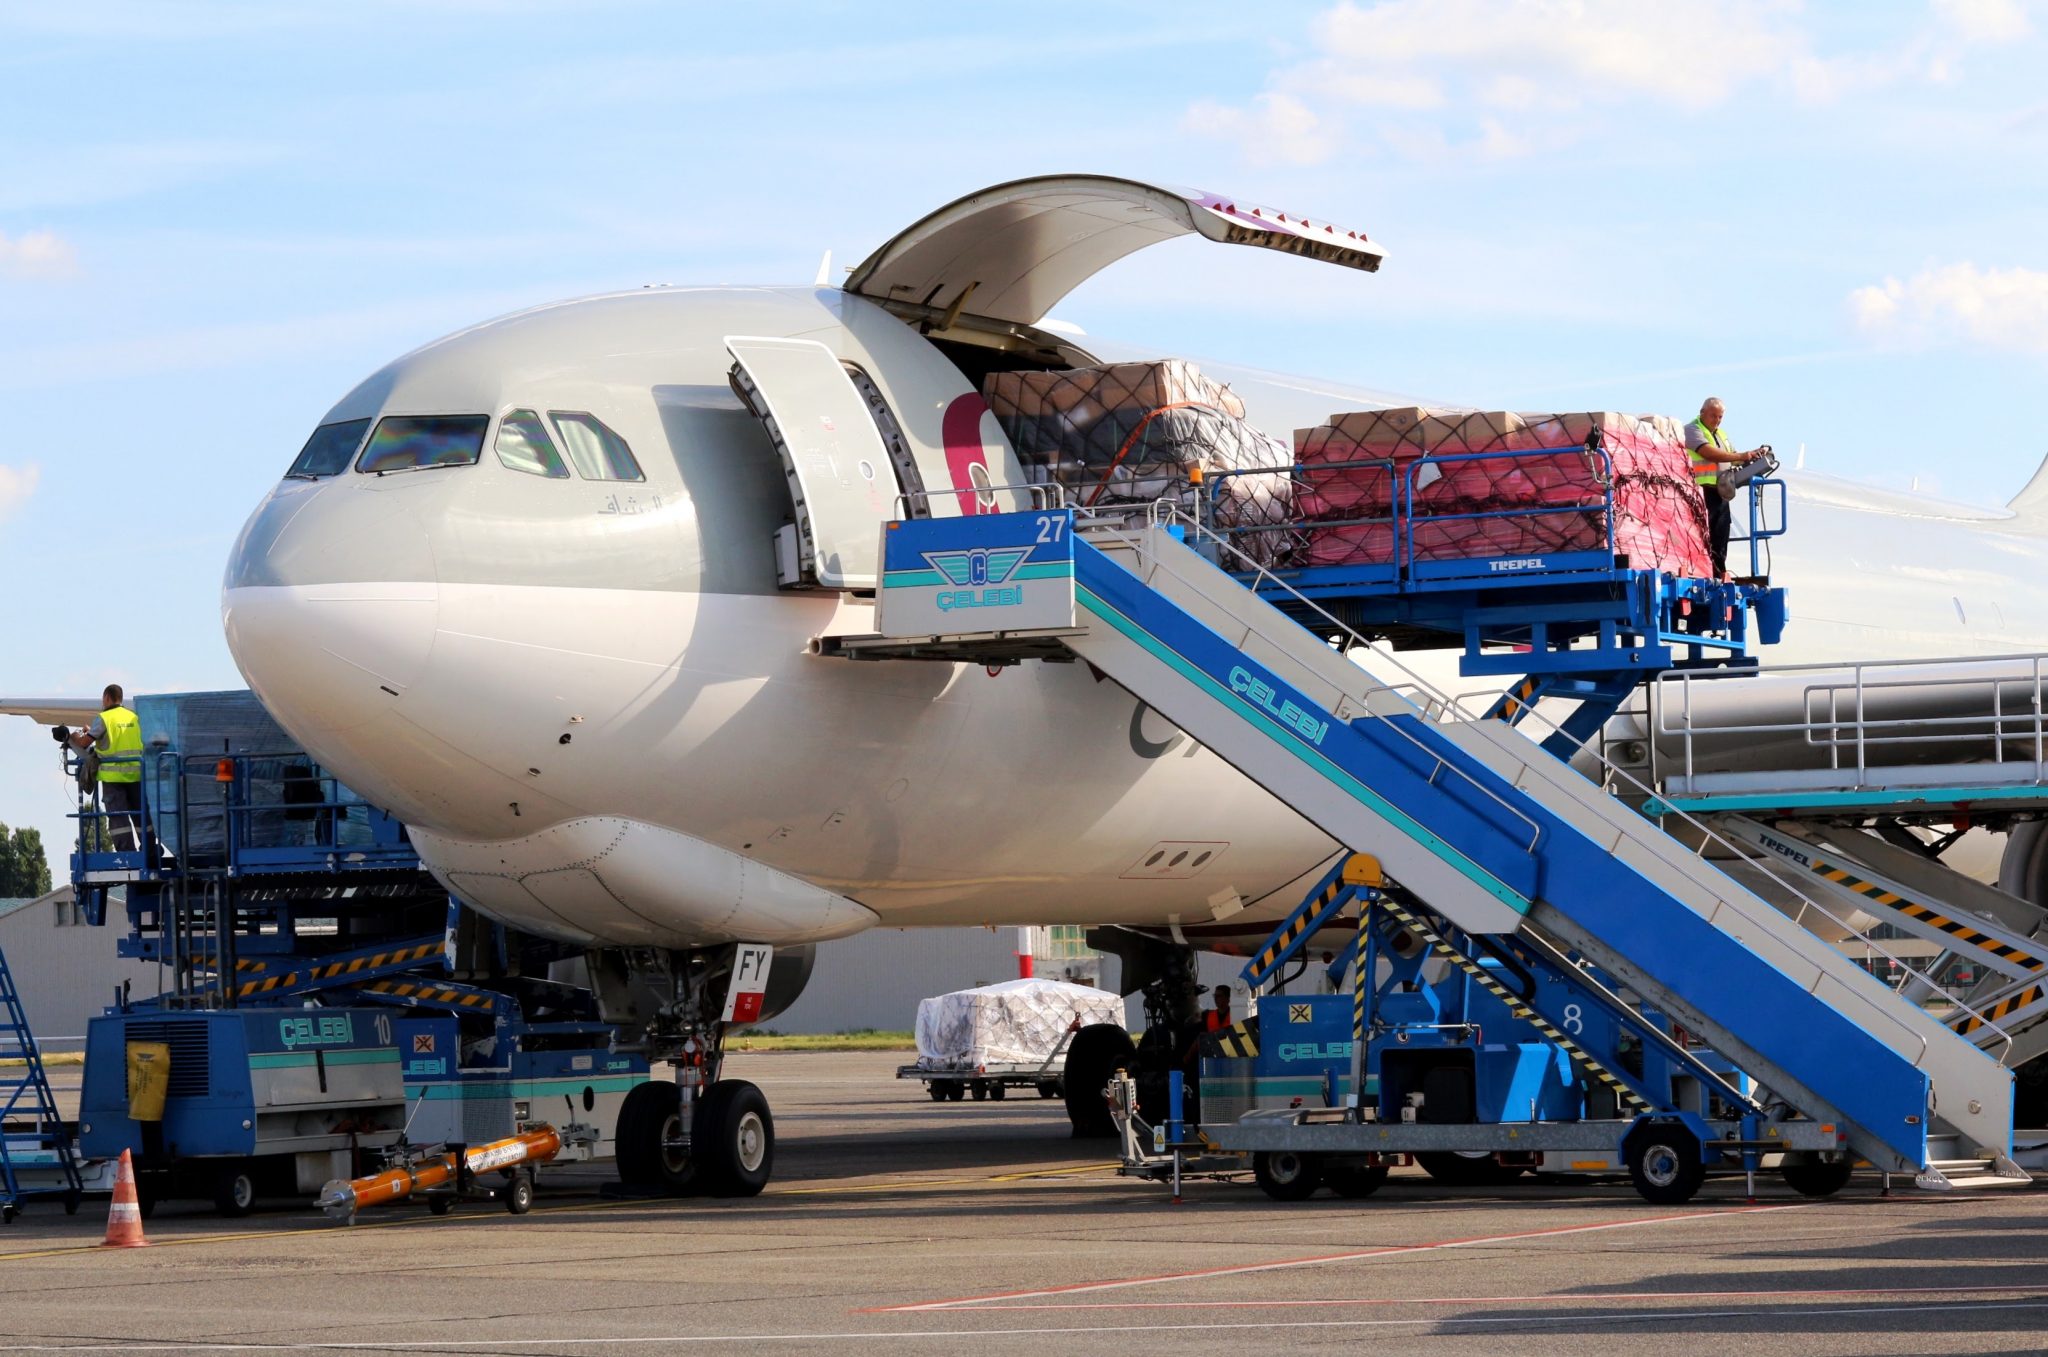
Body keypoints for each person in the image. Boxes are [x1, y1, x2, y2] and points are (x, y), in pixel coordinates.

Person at [1684, 397, 1765, 580]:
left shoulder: (1721, 434)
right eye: (1713, 415)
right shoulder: (1692, 430)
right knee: (1706, 532)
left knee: (1721, 532)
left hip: (1719, 491)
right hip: (1700, 490)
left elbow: (1731, 456)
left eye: (1720, 417)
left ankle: (1719, 570)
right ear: (1702, 412)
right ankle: (1708, 571)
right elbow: (1707, 452)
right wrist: (1741, 456)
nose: (1717, 420)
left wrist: (1751, 456)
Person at [69, 683, 144, 850]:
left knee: (118, 818)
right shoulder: (132, 717)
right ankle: (150, 850)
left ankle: (127, 853)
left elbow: (85, 742)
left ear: (107, 698)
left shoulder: (104, 718)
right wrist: (92, 731)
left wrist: (74, 737)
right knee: (140, 815)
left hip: (113, 776)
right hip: (136, 773)